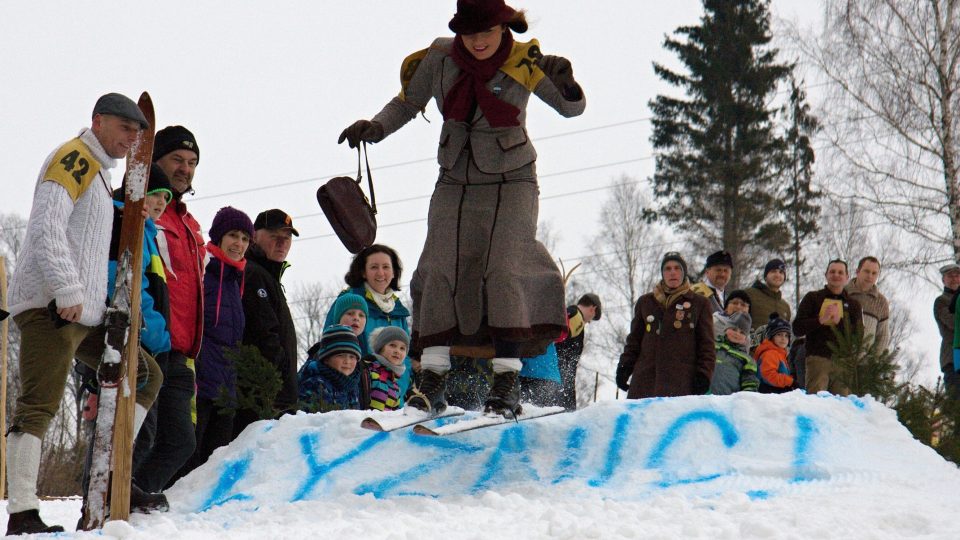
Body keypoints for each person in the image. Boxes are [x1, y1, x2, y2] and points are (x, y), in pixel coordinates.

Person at [338, 0, 585, 417]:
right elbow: (406, 103)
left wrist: (568, 84)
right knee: (436, 268)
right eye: (470, 34)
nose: (478, 41)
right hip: (454, 178)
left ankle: (506, 381)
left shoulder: (528, 59)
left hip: (513, 179)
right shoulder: (438, 58)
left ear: (503, 26)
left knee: (504, 268)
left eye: (486, 32)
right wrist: (375, 127)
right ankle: (432, 379)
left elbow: (571, 108)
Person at [4, 93, 162, 535]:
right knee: (38, 407)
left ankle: (112, 477)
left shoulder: (97, 174)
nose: (131, 140)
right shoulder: (74, 159)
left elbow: (89, 248)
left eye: (137, 133)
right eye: (125, 129)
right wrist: (67, 289)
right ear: (98, 122)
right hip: (51, 307)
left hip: (86, 314)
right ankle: (21, 511)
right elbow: (46, 225)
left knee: (145, 376)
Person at [134, 125, 205, 493]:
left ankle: (134, 500)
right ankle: (104, 503)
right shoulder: (146, 209)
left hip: (182, 351)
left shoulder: (189, 224)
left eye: (192, 162)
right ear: (155, 160)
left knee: (180, 442)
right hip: (148, 342)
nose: (185, 168)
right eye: (177, 159)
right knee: (135, 437)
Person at [190, 207, 254, 471]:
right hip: (200, 382)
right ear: (218, 237)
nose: (239, 244)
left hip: (225, 386)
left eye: (245, 239)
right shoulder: (204, 268)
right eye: (233, 236)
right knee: (191, 460)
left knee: (214, 465)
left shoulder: (236, 278)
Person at [616, 252, 715, 398]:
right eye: (667, 269)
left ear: (684, 273)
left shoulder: (699, 303)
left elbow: (706, 345)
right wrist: (625, 367)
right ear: (663, 274)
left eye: (677, 268)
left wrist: (704, 374)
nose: (672, 272)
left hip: (681, 383)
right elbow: (634, 341)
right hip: (645, 383)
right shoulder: (646, 302)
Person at [235, 209, 299, 436]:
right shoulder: (254, 274)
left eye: (288, 237)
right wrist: (278, 383)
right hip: (263, 395)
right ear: (256, 236)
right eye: (275, 236)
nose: (282, 243)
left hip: (274, 394)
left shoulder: (268, 275)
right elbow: (264, 336)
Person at [324, 245, 412, 404]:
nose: (380, 273)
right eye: (373, 267)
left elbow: (406, 357)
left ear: (394, 272)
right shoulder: (348, 301)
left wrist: (401, 389)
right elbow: (331, 346)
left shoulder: (398, 310)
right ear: (363, 272)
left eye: (386, 267)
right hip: (358, 396)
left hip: (394, 397)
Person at [793, 259, 864, 396]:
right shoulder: (813, 298)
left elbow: (859, 336)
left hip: (843, 362)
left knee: (841, 405)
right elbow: (797, 328)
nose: (836, 275)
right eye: (832, 272)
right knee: (816, 402)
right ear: (826, 275)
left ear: (847, 277)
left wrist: (840, 323)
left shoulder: (854, 305)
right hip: (818, 359)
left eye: (840, 272)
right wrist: (820, 320)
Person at [298, 325, 364, 412]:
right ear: (326, 359)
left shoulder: (352, 384)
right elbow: (307, 418)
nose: (347, 361)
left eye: (352, 357)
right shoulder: (316, 383)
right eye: (340, 355)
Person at [553, 293, 601, 410]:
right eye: (591, 319)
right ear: (593, 309)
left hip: (558, 377)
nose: (588, 322)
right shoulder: (576, 317)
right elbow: (558, 341)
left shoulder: (569, 314)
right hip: (559, 379)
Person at [844, 256, 890, 352]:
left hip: (865, 363)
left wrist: (875, 361)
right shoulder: (842, 293)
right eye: (866, 271)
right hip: (836, 358)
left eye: (874, 273)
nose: (870, 276)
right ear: (857, 271)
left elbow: (883, 336)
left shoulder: (881, 302)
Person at [708, 311, 758, 395]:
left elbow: (750, 382)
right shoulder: (712, 346)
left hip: (727, 400)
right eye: (734, 329)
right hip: (702, 396)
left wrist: (747, 397)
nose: (737, 333)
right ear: (726, 329)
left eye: (742, 332)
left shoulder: (747, 359)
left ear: (746, 338)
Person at [361, 326, 410, 411]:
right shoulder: (367, 371)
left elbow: (393, 415)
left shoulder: (395, 385)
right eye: (392, 345)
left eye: (402, 348)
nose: (397, 351)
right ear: (381, 347)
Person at [934, 263, 960, 397]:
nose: (954, 279)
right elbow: (954, 323)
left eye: (957, 275)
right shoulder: (942, 301)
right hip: (953, 360)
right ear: (943, 279)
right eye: (950, 276)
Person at [754, 313, 796, 394]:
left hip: (776, 392)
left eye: (786, 335)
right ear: (771, 336)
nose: (783, 338)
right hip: (768, 393)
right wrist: (790, 382)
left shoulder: (780, 354)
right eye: (779, 334)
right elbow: (768, 375)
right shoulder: (770, 353)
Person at [746, 258, 792, 330]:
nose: (777, 275)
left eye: (781, 272)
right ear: (765, 276)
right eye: (773, 271)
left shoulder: (785, 306)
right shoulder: (749, 294)